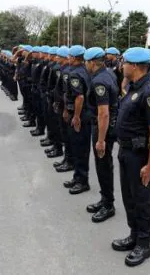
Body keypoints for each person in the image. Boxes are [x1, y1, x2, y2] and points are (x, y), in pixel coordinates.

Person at [113, 47, 150, 267]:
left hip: (138, 154)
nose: (121, 66)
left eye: (124, 63)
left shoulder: (149, 92)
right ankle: (134, 234)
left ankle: (144, 243)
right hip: (125, 151)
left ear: (134, 66)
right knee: (128, 197)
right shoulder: (134, 88)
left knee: (141, 199)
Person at [84, 47, 119, 223]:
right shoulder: (109, 73)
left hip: (102, 127)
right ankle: (105, 198)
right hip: (107, 126)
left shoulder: (99, 81)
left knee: (103, 165)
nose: (85, 65)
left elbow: (103, 113)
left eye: (86, 62)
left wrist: (101, 140)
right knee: (103, 164)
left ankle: (108, 205)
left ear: (91, 62)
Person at [63, 45, 92, 195]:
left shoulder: (74, 74)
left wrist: (76, 116)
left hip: (80, 115)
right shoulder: (85, 70)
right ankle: (78, 177)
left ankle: (82, 181)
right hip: (86, 114)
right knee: (79, 148)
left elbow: (79, 96)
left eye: (69, 56)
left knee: (80, 149)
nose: (68, 59)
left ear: (74, 58)